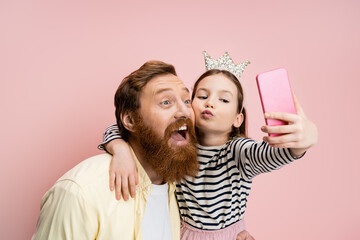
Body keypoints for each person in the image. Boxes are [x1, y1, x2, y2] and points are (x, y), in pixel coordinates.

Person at [99, 52, 318, 239]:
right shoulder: (179, 142)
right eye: (202, 95)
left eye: (224, 100)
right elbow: (125, 127)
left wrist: (303, 141)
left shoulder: (238, 151)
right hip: (182, 233)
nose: (210, 102)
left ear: (237, 119)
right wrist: (120, 149)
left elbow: (276, 153)